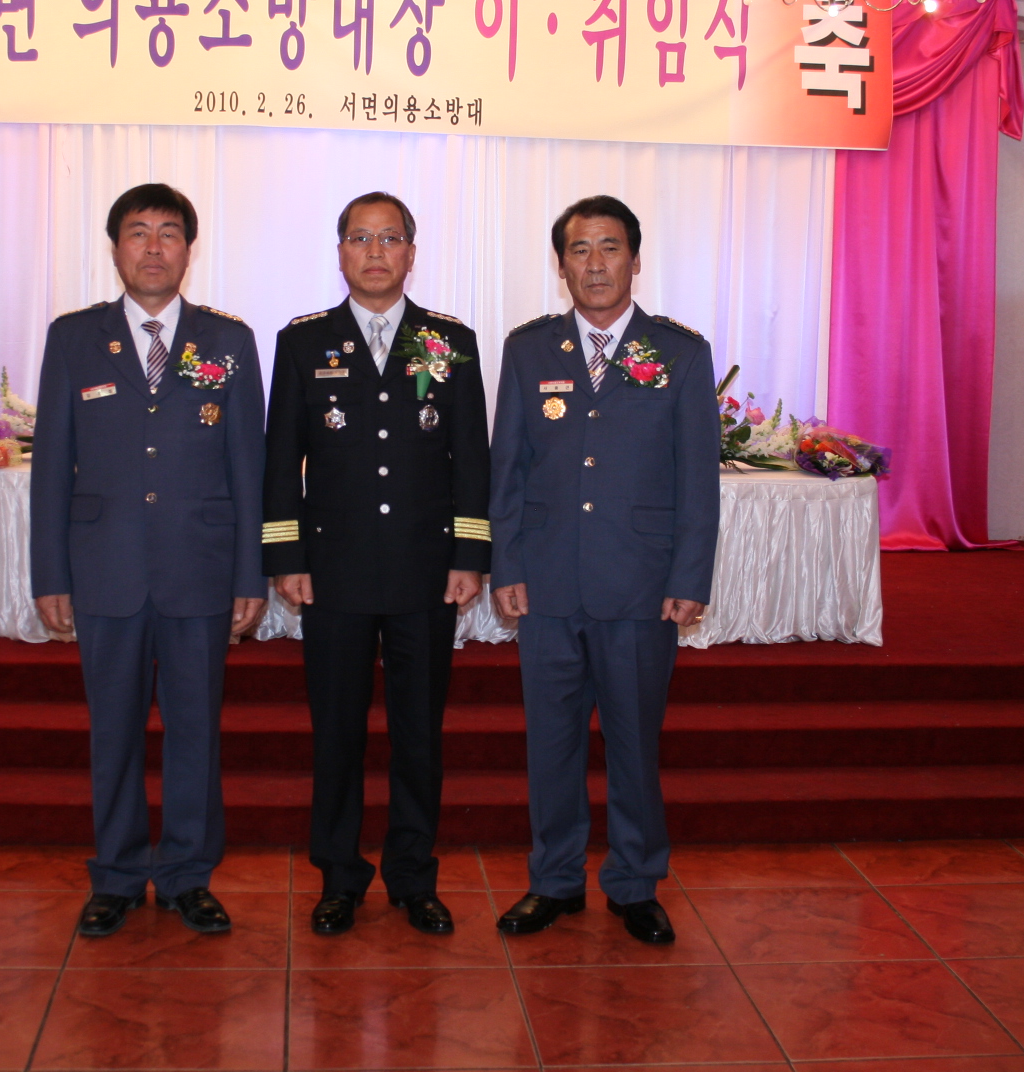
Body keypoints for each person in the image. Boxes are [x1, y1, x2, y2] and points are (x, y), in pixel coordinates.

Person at [31, 182, 267, 939]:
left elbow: (249, 468)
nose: (154, 247)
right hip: (106, 568)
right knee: (115, 732)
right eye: (138, 232)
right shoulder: (74, 338)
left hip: (200, 569)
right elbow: (51, 467)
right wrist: (50, 574)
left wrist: (249, 574)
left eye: (169, 233)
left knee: (196, 731)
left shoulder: (228, 341)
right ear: (115, 248)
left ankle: (189, 875)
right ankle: (118, 875)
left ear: (189, 250)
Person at [486, 194, 720, 945]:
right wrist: (505, 563)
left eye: (609, 247)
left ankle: (634, 882)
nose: (595, 264)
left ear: (635, 260)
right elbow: (507, 469)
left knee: (634, 744)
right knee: (551, 746)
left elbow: (698, 481)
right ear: (560, 266)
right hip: (547, 584)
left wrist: (688, 577)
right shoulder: (529, 350)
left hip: (641, 586)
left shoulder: (680, 353)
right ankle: (554, 880)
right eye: (579, 250)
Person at [263, 191, 491, 936]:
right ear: (340, 252)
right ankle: (339, 877)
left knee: (418, 735)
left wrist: (469, 553)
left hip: (427, 572)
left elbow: (471, 458)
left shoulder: (449, 341)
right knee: (337, 734)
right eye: (360, 238)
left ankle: (413, 877)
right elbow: (280, 461)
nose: (375, 252)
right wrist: (286, 555)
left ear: (411, 253)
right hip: (334, 572)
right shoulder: (304, 343)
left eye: (389, 238)